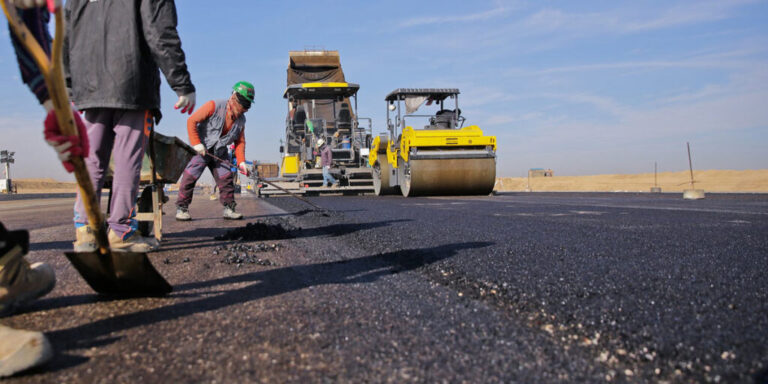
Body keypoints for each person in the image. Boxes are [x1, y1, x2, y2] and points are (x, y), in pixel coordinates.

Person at [1, 0, 195, 376]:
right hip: (132, 82)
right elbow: (160, 32)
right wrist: (181, 82)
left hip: (87, 86)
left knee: (89, 157)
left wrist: (64, 87)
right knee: (127, 161)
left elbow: (64, 34)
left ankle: (84, 228)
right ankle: (120, 230)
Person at [175, 82, 254, 221]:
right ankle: (182, 208)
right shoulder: (214, 106)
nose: (243, 109)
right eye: (242, 104)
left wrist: (241, 162)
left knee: (226, 179)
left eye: (247, 106)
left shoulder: (241, 121)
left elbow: (240, 142)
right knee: (190, 176)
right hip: (202, 148)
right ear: (233, 98)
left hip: (220, 152)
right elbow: (191, 121)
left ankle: (229, 209)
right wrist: (196, 143)